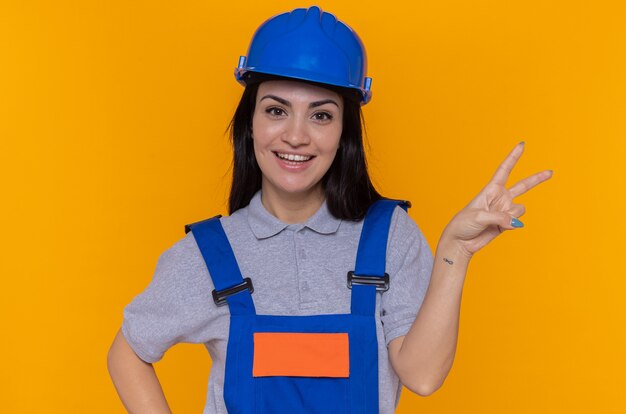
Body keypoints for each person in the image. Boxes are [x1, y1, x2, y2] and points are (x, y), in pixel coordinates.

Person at [107, 6, 553, 414]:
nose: (296, 136)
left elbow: (422, 376)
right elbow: (128, 351)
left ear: (344, 132)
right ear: (250, 123)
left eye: (321, 115)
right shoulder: (209, 253)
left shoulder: (388, 236)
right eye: (276, 110)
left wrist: (456, 251)